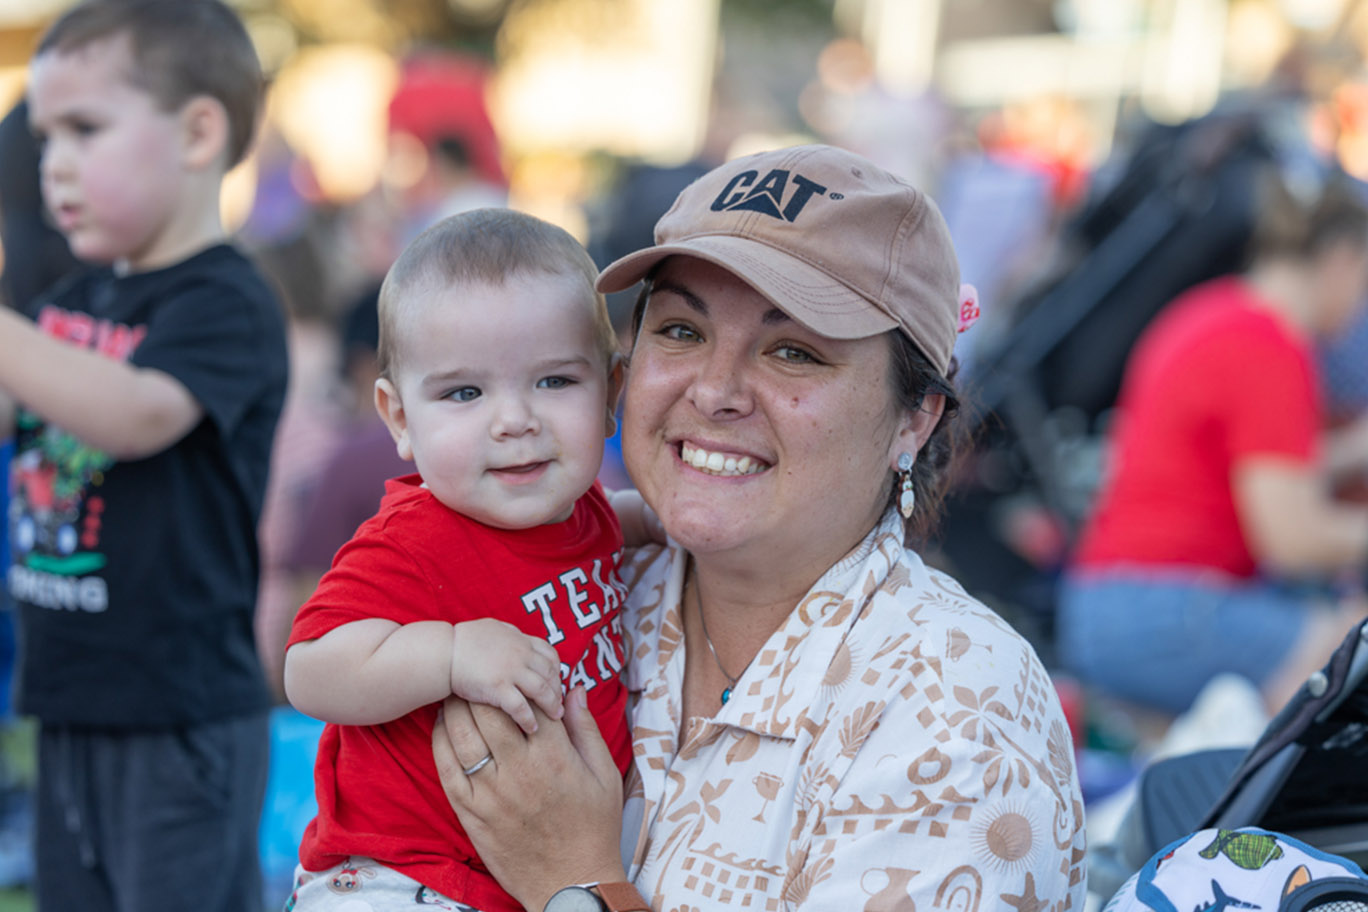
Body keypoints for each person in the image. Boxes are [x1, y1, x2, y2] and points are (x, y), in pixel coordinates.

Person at [430, 144, 1088, 912]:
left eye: (793, 351)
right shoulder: (577, 592)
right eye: (681, 331)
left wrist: (571, 878)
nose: (714, 391)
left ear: (914, 418)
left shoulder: (955, 713)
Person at [0, 2, 288, 910]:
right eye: (45, 137)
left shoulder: (226, 302)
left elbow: (136, 414)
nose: (55, 164)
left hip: (180, 715)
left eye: (85, 128)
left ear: (199, 131)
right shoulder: (70, 296)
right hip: (71, 696)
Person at [282, 208, 638, 912]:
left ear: (612, 395)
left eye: (555, 382)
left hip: (520, 873)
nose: (514, 420)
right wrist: (448, 654)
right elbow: (310, 668)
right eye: (464, 393)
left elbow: (613, 529)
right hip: (396, 878)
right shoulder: (415, 539)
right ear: (399, 419)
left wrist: (668, 521)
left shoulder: (589, 509)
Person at [1059, 168, 1368, 720]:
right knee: (1346, 649)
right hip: (1160, 608)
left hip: (1110, 602)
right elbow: (1293, 538)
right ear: (1343, 258)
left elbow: (1257, 477)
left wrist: (1348, 451)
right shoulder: (1270, 345)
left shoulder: (1218, 312)